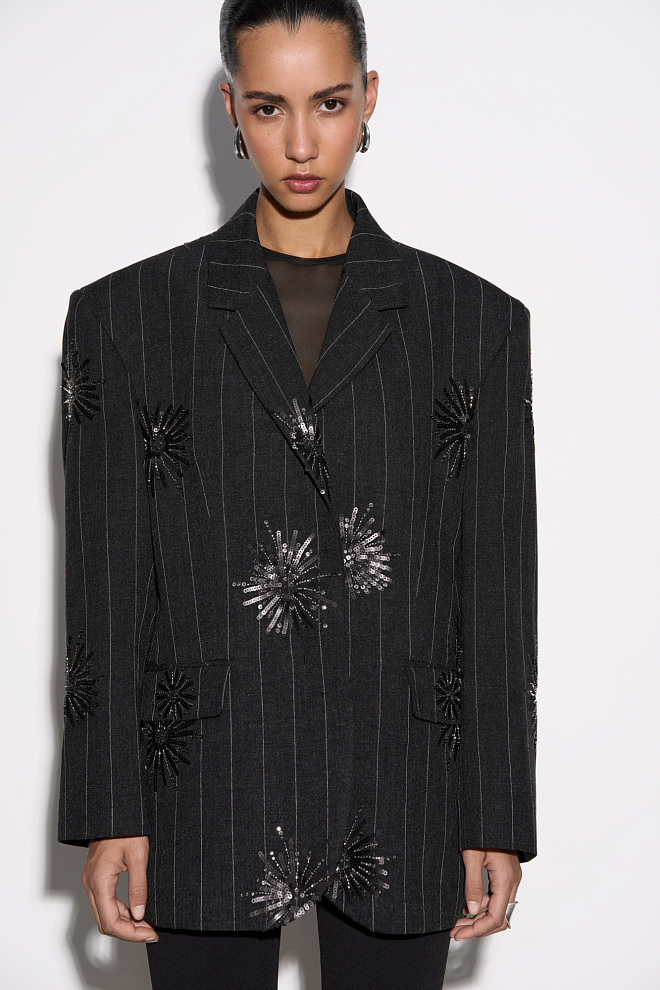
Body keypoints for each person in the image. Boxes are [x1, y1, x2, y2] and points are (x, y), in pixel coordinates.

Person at [57, 2, 538, 988]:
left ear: (369, 98)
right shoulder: (128, 318)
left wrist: (496, 810)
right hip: (204, 784)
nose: (304, 144)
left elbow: (494, 586)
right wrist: (109, 809)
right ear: (232, 107)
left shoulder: (473, 323)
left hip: (404, 788)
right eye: (270, 107)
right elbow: (103, 584)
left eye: (329, 102)